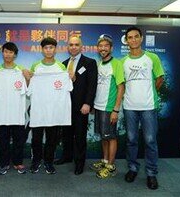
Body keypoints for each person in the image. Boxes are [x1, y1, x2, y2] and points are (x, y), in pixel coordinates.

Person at [122, 26, 164, 190]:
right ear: (126, 41)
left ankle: (151, 173)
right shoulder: (123, 61)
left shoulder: (152, 57)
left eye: (136, 37)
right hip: (129, 107)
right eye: (130, 37)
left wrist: (149, 93)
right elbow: (122, 84)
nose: (133, 40)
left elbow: (159, 78)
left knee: (150, 140)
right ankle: (132, 169)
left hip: (148, 107)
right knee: (131, 140)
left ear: (141, 38)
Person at [54, 36, 98, 175]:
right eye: (71, 44)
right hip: (66, 107)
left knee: (79, 136)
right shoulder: (63, 63)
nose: (73, 47)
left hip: (81, 107)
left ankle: (79, 163)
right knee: (66, 134)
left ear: (81, 47)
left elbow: (92, 86)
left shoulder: (89, 63)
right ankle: (67, 156)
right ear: (68, 47)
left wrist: (88, 104)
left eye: (76, 44)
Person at [29, 37, 68, 175]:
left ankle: (49, 162)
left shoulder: (61, 67)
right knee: (36, 138)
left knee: (52, 138)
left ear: (55, 49)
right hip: (39, 109)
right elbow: (30, 85)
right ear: (42, 49)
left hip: (54, 109)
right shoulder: (35, 66)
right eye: (46, 47)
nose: (48, 50)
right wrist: (28, 77)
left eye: (51, 47)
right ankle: (36, 161)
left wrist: (71, 77)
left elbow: (66, 85)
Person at [0, 42, 30, 175]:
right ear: (2, 53)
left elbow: (28, 89)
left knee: (19, 140)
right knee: (3, 140)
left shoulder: (21, 72)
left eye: (11, 52)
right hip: (1, 113)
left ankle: (18, 162)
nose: (8, 54)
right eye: (5, 51)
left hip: (17, 113)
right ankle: (4, 163)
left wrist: (27, 78)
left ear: (15, 55)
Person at [89, 34, 125, 179]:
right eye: (101, 46)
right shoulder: (98, 63)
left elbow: (121, 87)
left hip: (109, 107)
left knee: (111, 137)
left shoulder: (116, 64)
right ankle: (104, 161)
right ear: (98, 48)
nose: (103, 48)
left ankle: (110, 166)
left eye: (106, 46)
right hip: (98, 106)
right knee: (104, 136)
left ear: (111, 48)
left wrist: (115, 109)